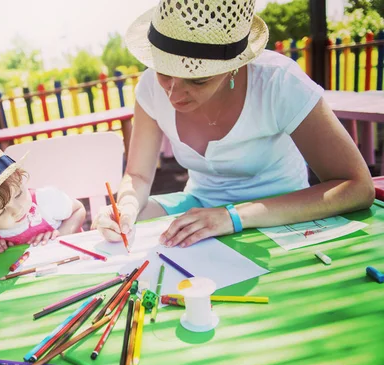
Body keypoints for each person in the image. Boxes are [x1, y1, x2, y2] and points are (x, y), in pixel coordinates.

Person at [93, 0, 374, 248]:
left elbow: (357, 187)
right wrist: (126, 206)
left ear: (235, 65)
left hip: (281, 210)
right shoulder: (149, 89)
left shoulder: (279, 83)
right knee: (128, 226)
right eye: (164, 72)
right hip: (201, 205)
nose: (173, 93)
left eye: (198, 79)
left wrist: (234, 216)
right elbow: (139, 177)